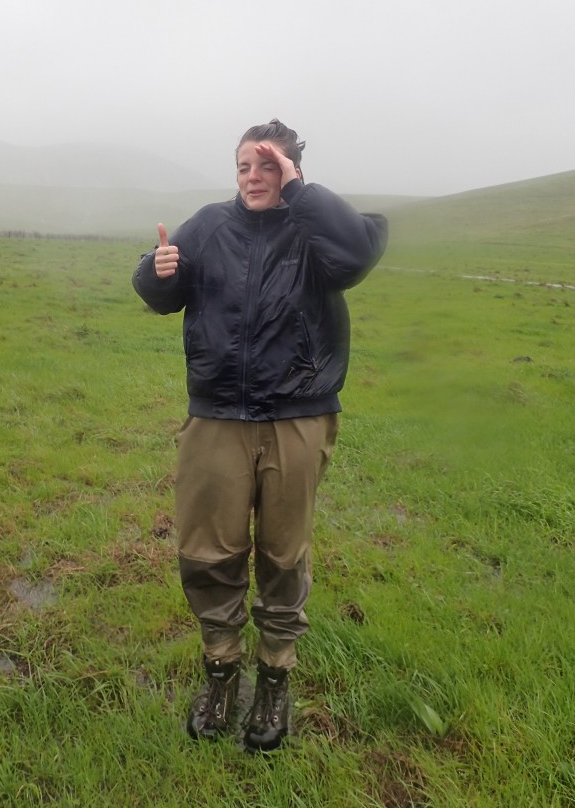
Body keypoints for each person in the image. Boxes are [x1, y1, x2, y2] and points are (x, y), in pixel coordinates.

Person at [132, 119, 388, 752]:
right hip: (216, 416)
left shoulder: (317, 231)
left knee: (282, 553)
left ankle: (274, 679)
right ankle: (220, 671)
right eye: (244, 165)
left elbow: (357, 254)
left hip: (297, 415)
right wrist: (157, 269)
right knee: (208, 554)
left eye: (267, 165)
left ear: (292, 171)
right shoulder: (209, 225)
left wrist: (301, 194)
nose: (252, 176)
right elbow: (160, 294)